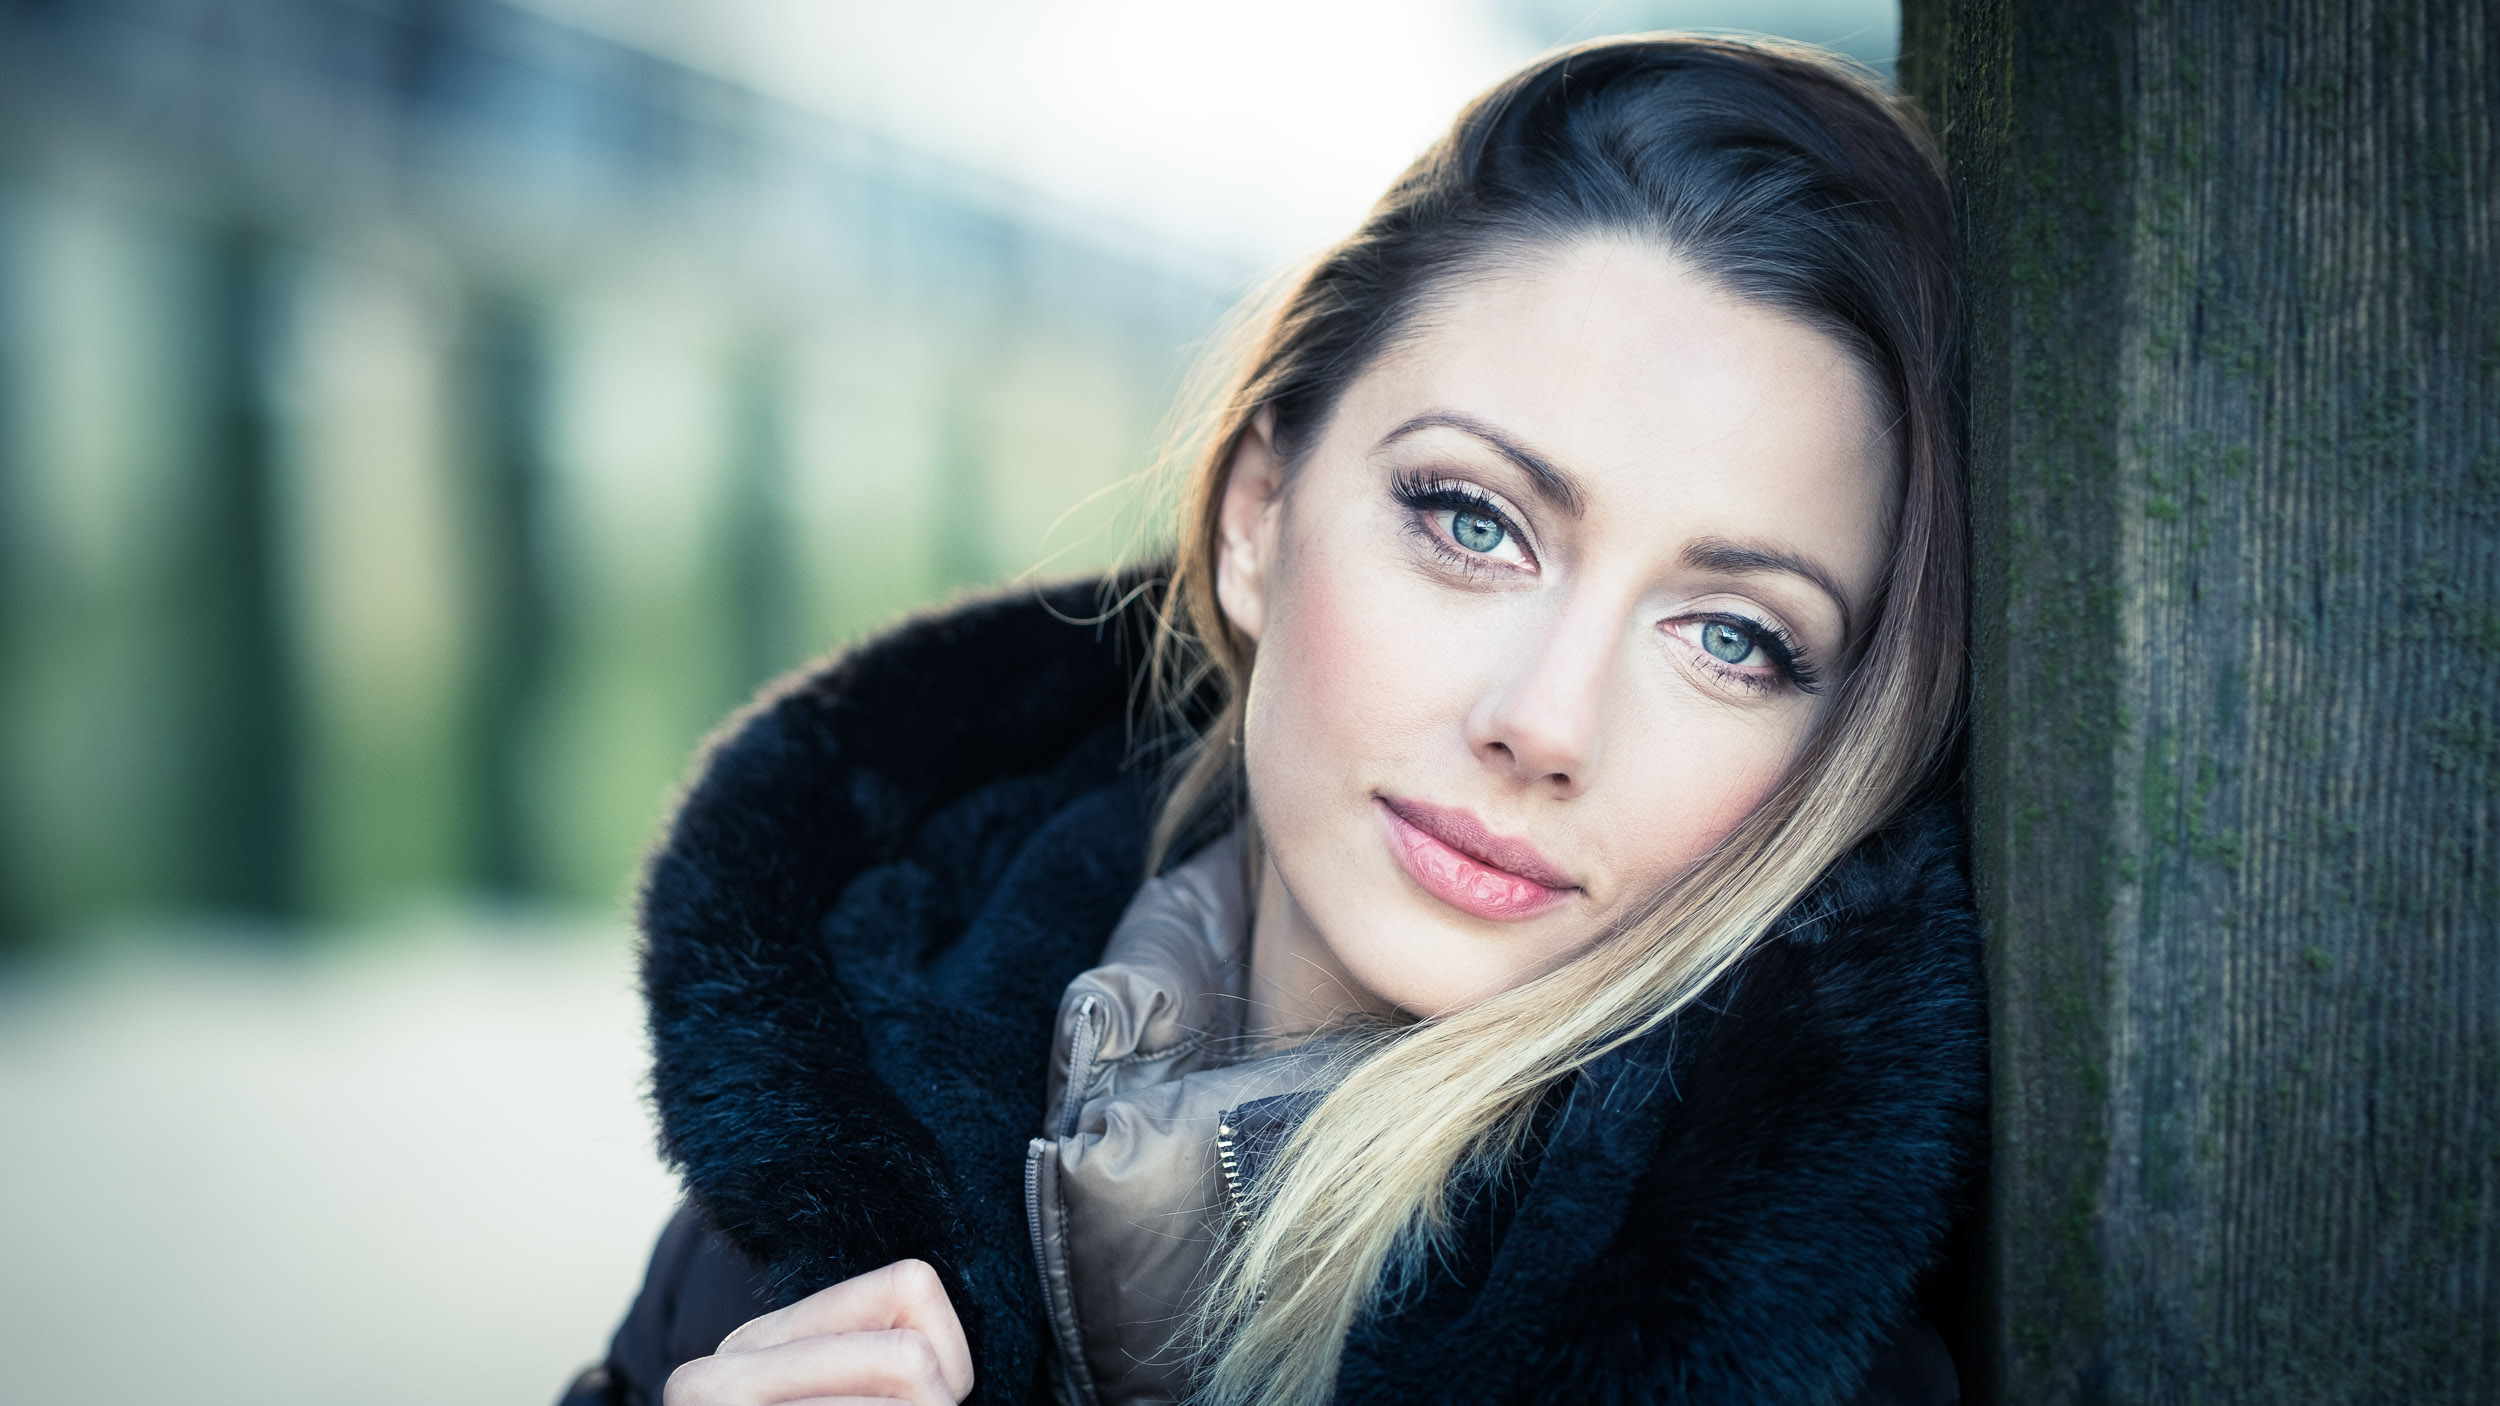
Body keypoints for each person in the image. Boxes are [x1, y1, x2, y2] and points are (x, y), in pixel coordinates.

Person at [559, 33, 1981, 1406]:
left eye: (1733, 638)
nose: (1545, 721)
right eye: (1474, 521)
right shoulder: (832, 1149)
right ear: (1257, 515)